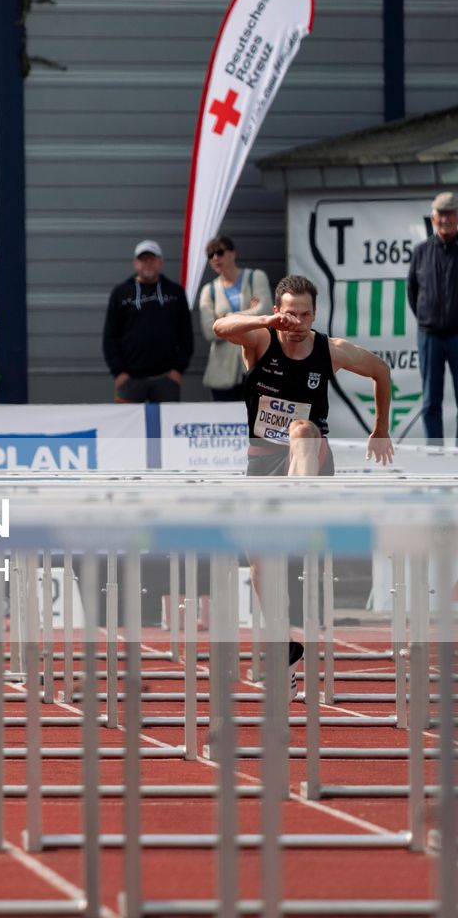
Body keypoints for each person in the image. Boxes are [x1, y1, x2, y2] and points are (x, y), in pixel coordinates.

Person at [214, 273, 394, 697]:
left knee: (300, 430)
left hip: (312, 459)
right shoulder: (259, 340)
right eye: (291, 313)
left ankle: (298, 514)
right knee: (259, 566)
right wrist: (266, 322)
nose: (298, 322)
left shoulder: (330, 350)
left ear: (315, 314)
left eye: (306, 314)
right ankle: (282, 649)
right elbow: (220, 326)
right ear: (280, 311)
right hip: (262, 461)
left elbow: (381, 371)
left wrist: (380, 428)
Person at [103, 239, 194, 403]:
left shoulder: (175, 292)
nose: (148, 263)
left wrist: (177, 370)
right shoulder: (121, 293)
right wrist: (119, 373)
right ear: (135, 263)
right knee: (127, 427)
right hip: (130, 380)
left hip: (166, 379)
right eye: (143, 259)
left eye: (152, 258)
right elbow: (110, 337)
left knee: (167, 427)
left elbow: (186, 335)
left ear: (160, 262)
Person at [194, 235, 270, 402]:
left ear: (232, 254)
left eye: (220, 252)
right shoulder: (209, 290)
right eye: (210, 255)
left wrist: (226, 319)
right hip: (222, 373)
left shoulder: (255, 277)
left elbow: (265, 313)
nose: (215, 258)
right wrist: (250, 313)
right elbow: (209, 331)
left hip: (256, 366)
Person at [409, 191, 458, 445]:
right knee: (430, 401)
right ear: (433, 218)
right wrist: (427, 319)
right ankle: (435, 454)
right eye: (442, 214)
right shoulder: (421, 252)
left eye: (450, 213)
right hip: (429, 336)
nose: (446, 219)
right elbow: (413, 292)